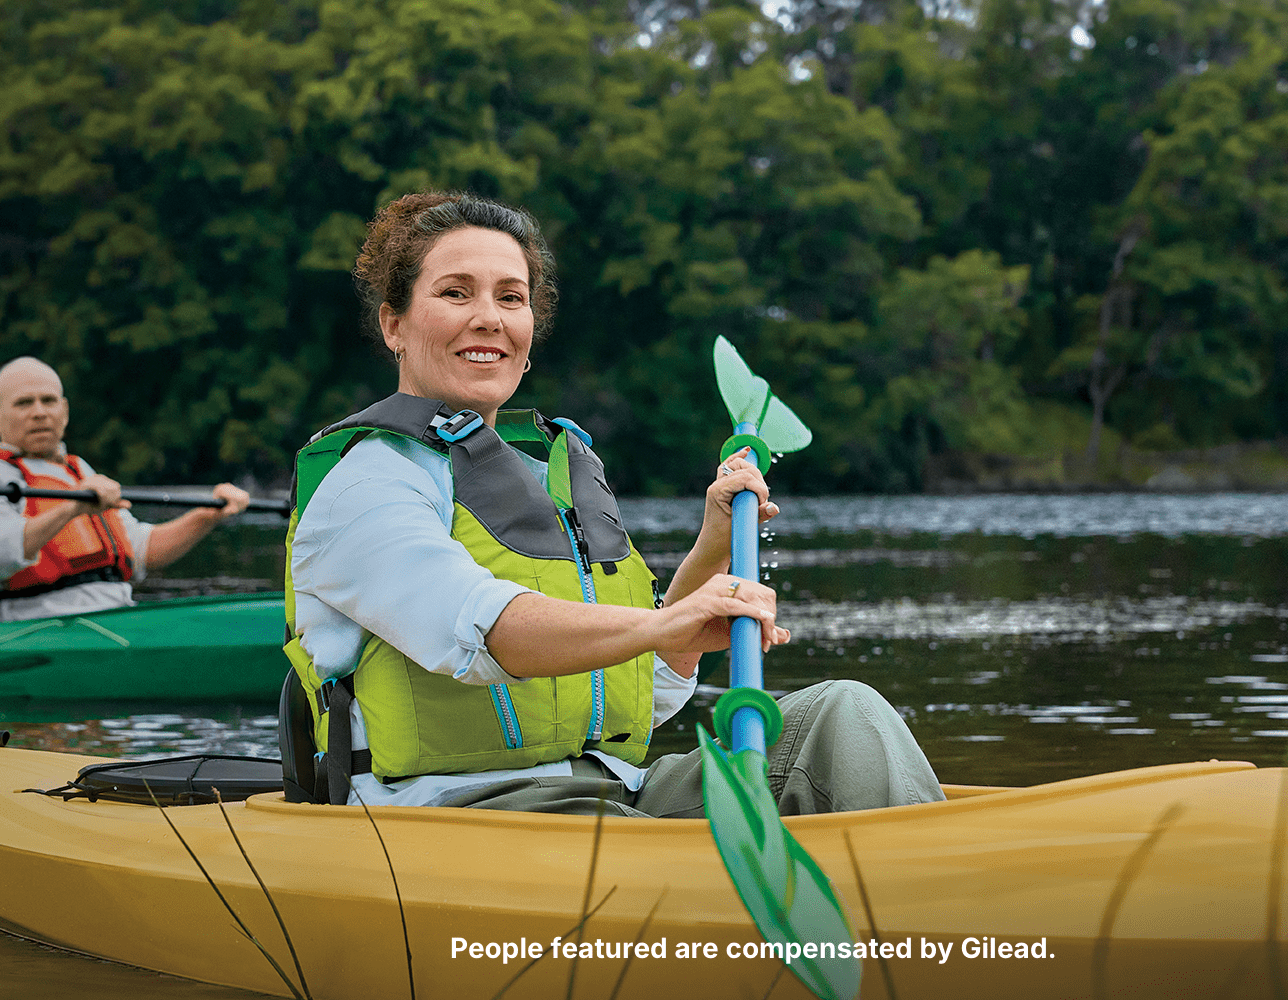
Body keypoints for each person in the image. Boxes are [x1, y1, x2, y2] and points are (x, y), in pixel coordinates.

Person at [282, 192, 941, 817]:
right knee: (636, 838)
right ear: (394, 324)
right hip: (458, 813)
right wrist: (663, 626)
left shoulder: (548, 475)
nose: (489, 317)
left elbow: (646, 689)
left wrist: (711, 547)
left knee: (841, 715)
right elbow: (484, 633)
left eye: (511, 298)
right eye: (456, 293)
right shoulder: (366, 487)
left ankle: (929, 894)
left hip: (615, 789)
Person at [0, 357, 252, 623]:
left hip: (111, 616)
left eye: (48, 401)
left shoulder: (77, 471)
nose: (39, 412)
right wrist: (71, 509)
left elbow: (141, 549)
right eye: (23, 403)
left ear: (65, 411)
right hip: (32, 624)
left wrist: (208, 514)